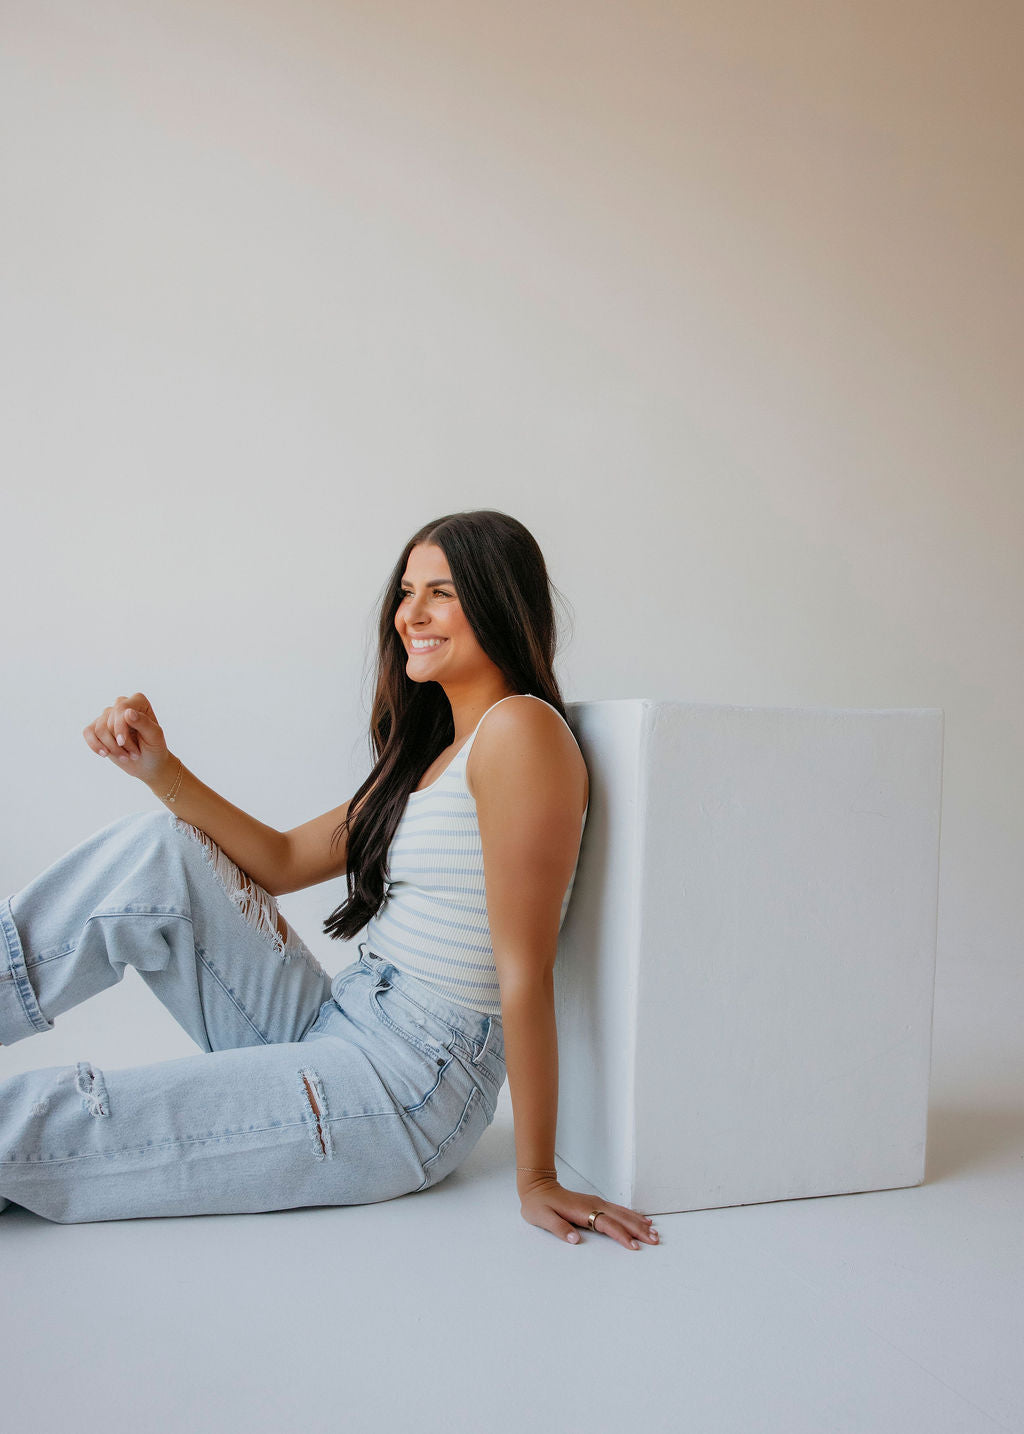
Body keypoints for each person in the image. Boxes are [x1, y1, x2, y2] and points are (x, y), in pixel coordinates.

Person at [0, 509, 659, 1252]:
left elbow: (524, 971)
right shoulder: (434, 756)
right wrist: (160, 769)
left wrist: (536, 1176)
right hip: (341, 1018)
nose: (411, 614)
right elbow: (282, 860)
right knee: (158, 853)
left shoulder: (520, 732)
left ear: (499, 603)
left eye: (441, 593)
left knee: (60, 1115)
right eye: (406, 592)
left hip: (404, 1083)